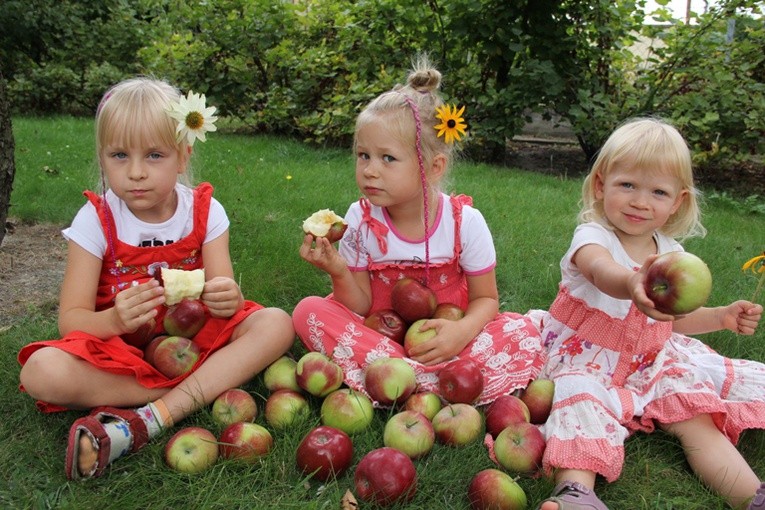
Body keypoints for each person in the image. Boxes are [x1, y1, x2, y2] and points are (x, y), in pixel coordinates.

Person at [17, 77, 294, 480]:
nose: (135, 173)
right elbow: (71, 319)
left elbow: (227, 297)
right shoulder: (96, 219)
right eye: (118, 155)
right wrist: (112, 320)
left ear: (182, 156)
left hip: (195, 339)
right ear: (101, 159)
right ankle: (194, 393)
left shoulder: (204, 211)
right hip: (120, 350)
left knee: (276, 323)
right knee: (40, 371)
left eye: (153, 155)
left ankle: (148, 419)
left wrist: (226, 297)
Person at [533, 117, 765, 510]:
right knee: (581, 403)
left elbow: (672, 320)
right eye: (628, 185)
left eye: (658, 191)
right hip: (586, 357)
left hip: (649, 360)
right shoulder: (593, 236)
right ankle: (576, 493)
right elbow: (599, 270)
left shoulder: (673, 255)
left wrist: (720, 317)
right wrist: (632, 284)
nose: (641, 201)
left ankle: (751, 495)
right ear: (601, 185)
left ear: (678, 201)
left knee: (697, 416)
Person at [292, 55, 544, 406]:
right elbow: (361, 304)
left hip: (449, 337)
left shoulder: (464, 223)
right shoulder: (361, 219)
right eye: (363, 155)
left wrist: (461, 332)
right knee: (308, 311)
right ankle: (434, 377)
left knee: (523, 330)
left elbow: (486, 300)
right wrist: (337, 270)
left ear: (433, 166)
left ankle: (398, 375)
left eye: (387, 158)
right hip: (381, 333)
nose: (369, 170)